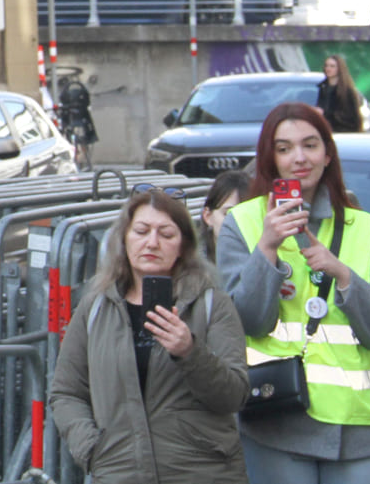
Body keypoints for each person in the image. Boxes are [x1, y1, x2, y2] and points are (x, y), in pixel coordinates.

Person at [216, 102, 370, 484]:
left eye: (310, 145)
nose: (299, 158)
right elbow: (248, 322)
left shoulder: (369, 229)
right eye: (284, 148)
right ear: (269, 159)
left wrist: (342, 274)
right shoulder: (242, 223)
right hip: (277, 418)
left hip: (358, 427)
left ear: (328, 154)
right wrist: (267, 249)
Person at [49, 186, 250, 484]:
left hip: (201, 473)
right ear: (124, 239)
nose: (152, 243)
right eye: (141, 231)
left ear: (182, 245)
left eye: (166, 234)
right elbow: (66, 391)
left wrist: (190, 352)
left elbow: (234, 395)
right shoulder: (97, 306)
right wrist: (92, 448)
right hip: (120, 471)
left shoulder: (210, 303)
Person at [199, 169, 251, 263]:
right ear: (207, 216)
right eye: (228, 214)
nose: (237, 223)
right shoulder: (191, 263)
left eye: (247, 215)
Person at [316, 53, 364, 133]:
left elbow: (351, 117)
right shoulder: (323, 88)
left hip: (343, 133)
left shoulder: (347, 91)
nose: (328, 69)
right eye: (326, 66)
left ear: (339, 69)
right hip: (325, 131)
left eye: (332, 66)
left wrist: (325, 113)